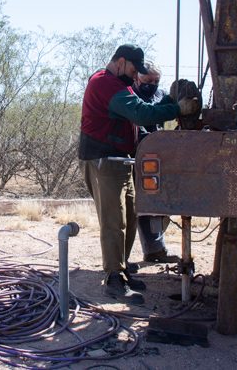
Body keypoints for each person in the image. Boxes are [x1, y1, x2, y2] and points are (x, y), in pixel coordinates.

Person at [78, 44, 198, 304]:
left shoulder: (119, 85)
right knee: (114, 222)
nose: (136, 76)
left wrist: (168, 102)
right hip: (104, 161)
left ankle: (121, 270)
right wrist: (177, 108)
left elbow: (145, 110)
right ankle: (113, 279)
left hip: (120, 161)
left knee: (131, 218)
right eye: (134, 69)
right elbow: (142, 113)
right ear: (120, 62)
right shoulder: (104, 83)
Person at [131, 62, 180, 264]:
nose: (152, 84)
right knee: (145, 205)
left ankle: (156, 248)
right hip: (138, 154)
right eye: (147, 80)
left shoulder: (159, 95)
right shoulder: (131, 97)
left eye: (156, 81)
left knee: (162, 204)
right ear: (137, 78)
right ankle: (153, 250)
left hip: (159, 155)